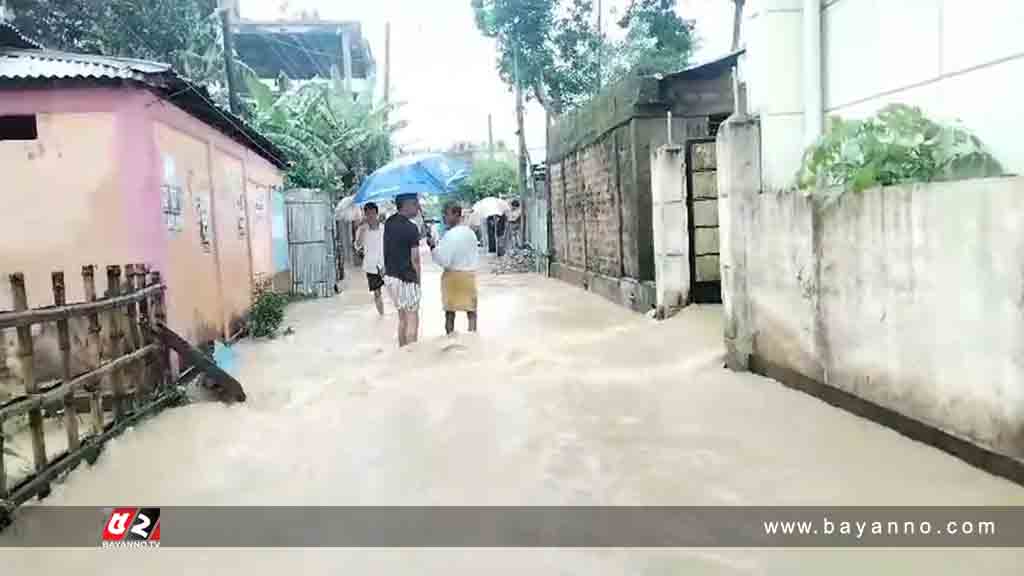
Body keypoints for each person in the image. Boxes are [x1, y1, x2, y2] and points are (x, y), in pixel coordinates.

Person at [428, 202, 479, 335]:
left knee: (450, 314)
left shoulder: (450, 235)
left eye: (446, 214)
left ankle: (450, 339)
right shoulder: (470, 233)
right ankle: (473, 338)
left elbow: (444, 260)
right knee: (471, 312)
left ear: (456, 214)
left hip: (452, 278)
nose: (444, 217)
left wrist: (433, 247)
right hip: (469, 276)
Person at [383, 194, 423, 347]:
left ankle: (402, 353)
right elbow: (416, 260)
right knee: (412, 319)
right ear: (405, 205)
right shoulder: (412, 228)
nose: (418, 207)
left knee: (402, 319)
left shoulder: (388, 223)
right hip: (407, 279)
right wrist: (418, 282)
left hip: (391, 279)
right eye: (415, 204)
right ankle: (412, 358)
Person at [354, 202, 385, 316]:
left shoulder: (384, 228)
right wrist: (362, 231)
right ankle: (382, 316)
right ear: (365, 215)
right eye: (367, 214)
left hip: (385, 264)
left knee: (393, 291)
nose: (370, 216)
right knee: (377, 293)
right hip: (371, 266)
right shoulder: (362, 230)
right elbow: (357, 246)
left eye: (372, 213)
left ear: (376, 214)